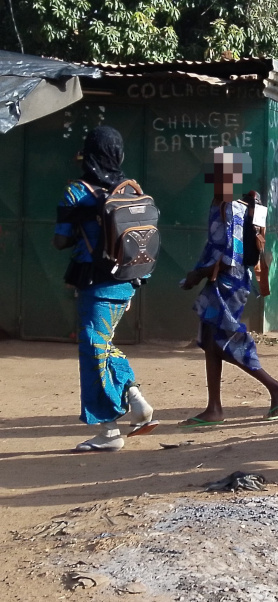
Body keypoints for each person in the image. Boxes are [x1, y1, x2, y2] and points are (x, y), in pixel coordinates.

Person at [53, 126, 158, 452]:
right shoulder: (131, 189)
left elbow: (60, 240)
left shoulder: (76, 192)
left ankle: (109, 429)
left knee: (93, 350)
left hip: (94, 283)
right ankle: (135, 399)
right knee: (103, 344)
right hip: (126, 282)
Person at [179, 148, 278, 427]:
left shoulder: (231, 208)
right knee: (210, 341)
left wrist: (198, 274)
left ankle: (275, 387)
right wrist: (198, 273)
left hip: (229, 282)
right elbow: (214, 246)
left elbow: (231, 256)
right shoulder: (218, 204)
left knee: (224, 341)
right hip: (217, 281)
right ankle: (214, 407)